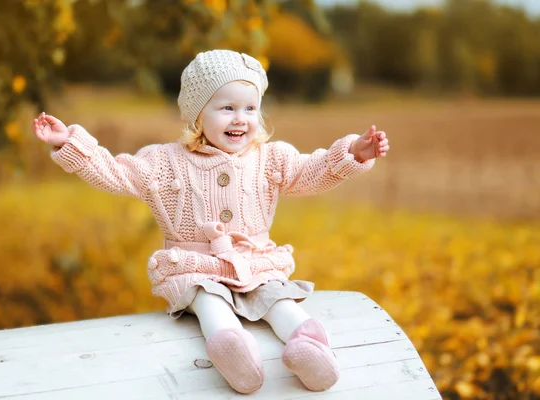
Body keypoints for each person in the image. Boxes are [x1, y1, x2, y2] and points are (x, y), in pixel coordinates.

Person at [32, 49, 389, 394]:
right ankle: (232, 349)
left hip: (255, 262)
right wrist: (70, 143)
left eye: (251, 108)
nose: (241, 118)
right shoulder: (165, 162)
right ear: (197, 115)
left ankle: (309, 347)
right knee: (208, 299)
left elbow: (314, 169)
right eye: (227, 108)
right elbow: (115, 172)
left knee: (279, 298)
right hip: (195, 265)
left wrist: (355, 153)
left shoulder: (269, 158)